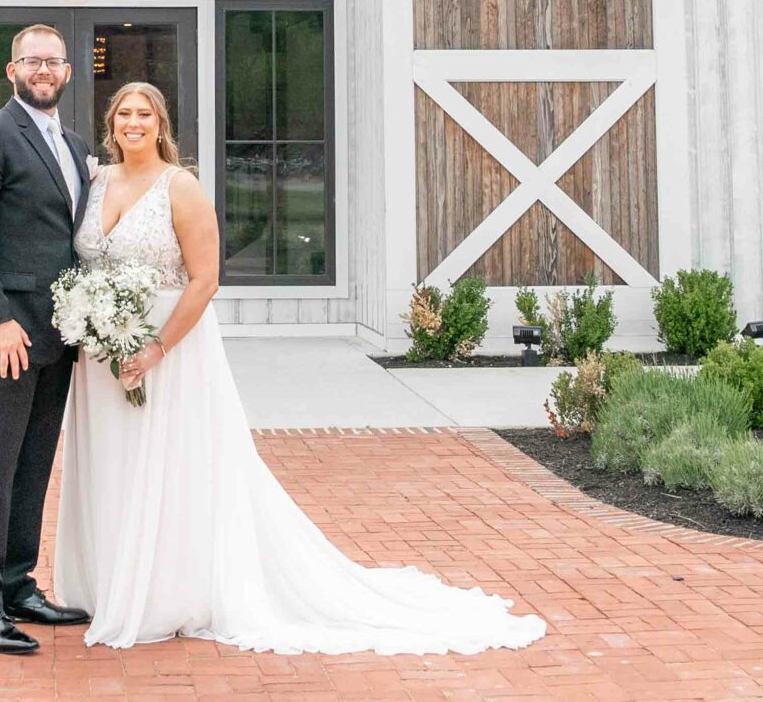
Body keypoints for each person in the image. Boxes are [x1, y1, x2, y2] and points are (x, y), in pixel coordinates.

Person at [52, 79, 547, 656]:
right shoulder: (96, 181)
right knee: (113, 462)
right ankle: (109, 583)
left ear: (161, 125)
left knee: (169, 466)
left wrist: (157, 348)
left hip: (169, 349)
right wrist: (94, 323)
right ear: (111, 123)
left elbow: (205, 279)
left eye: (144, 114)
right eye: (124, 114)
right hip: (103, 356)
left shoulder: (179, 187)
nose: (133, 123)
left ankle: (163, 595)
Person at [0, 22, 94, 654]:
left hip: (57, 333)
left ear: (68, 71)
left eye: (52, 62)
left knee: (32, 465)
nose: (43, 70)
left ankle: (15, 585)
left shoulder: (75, 145)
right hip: (3, 334)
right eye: (32, 61)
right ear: (12, 70)